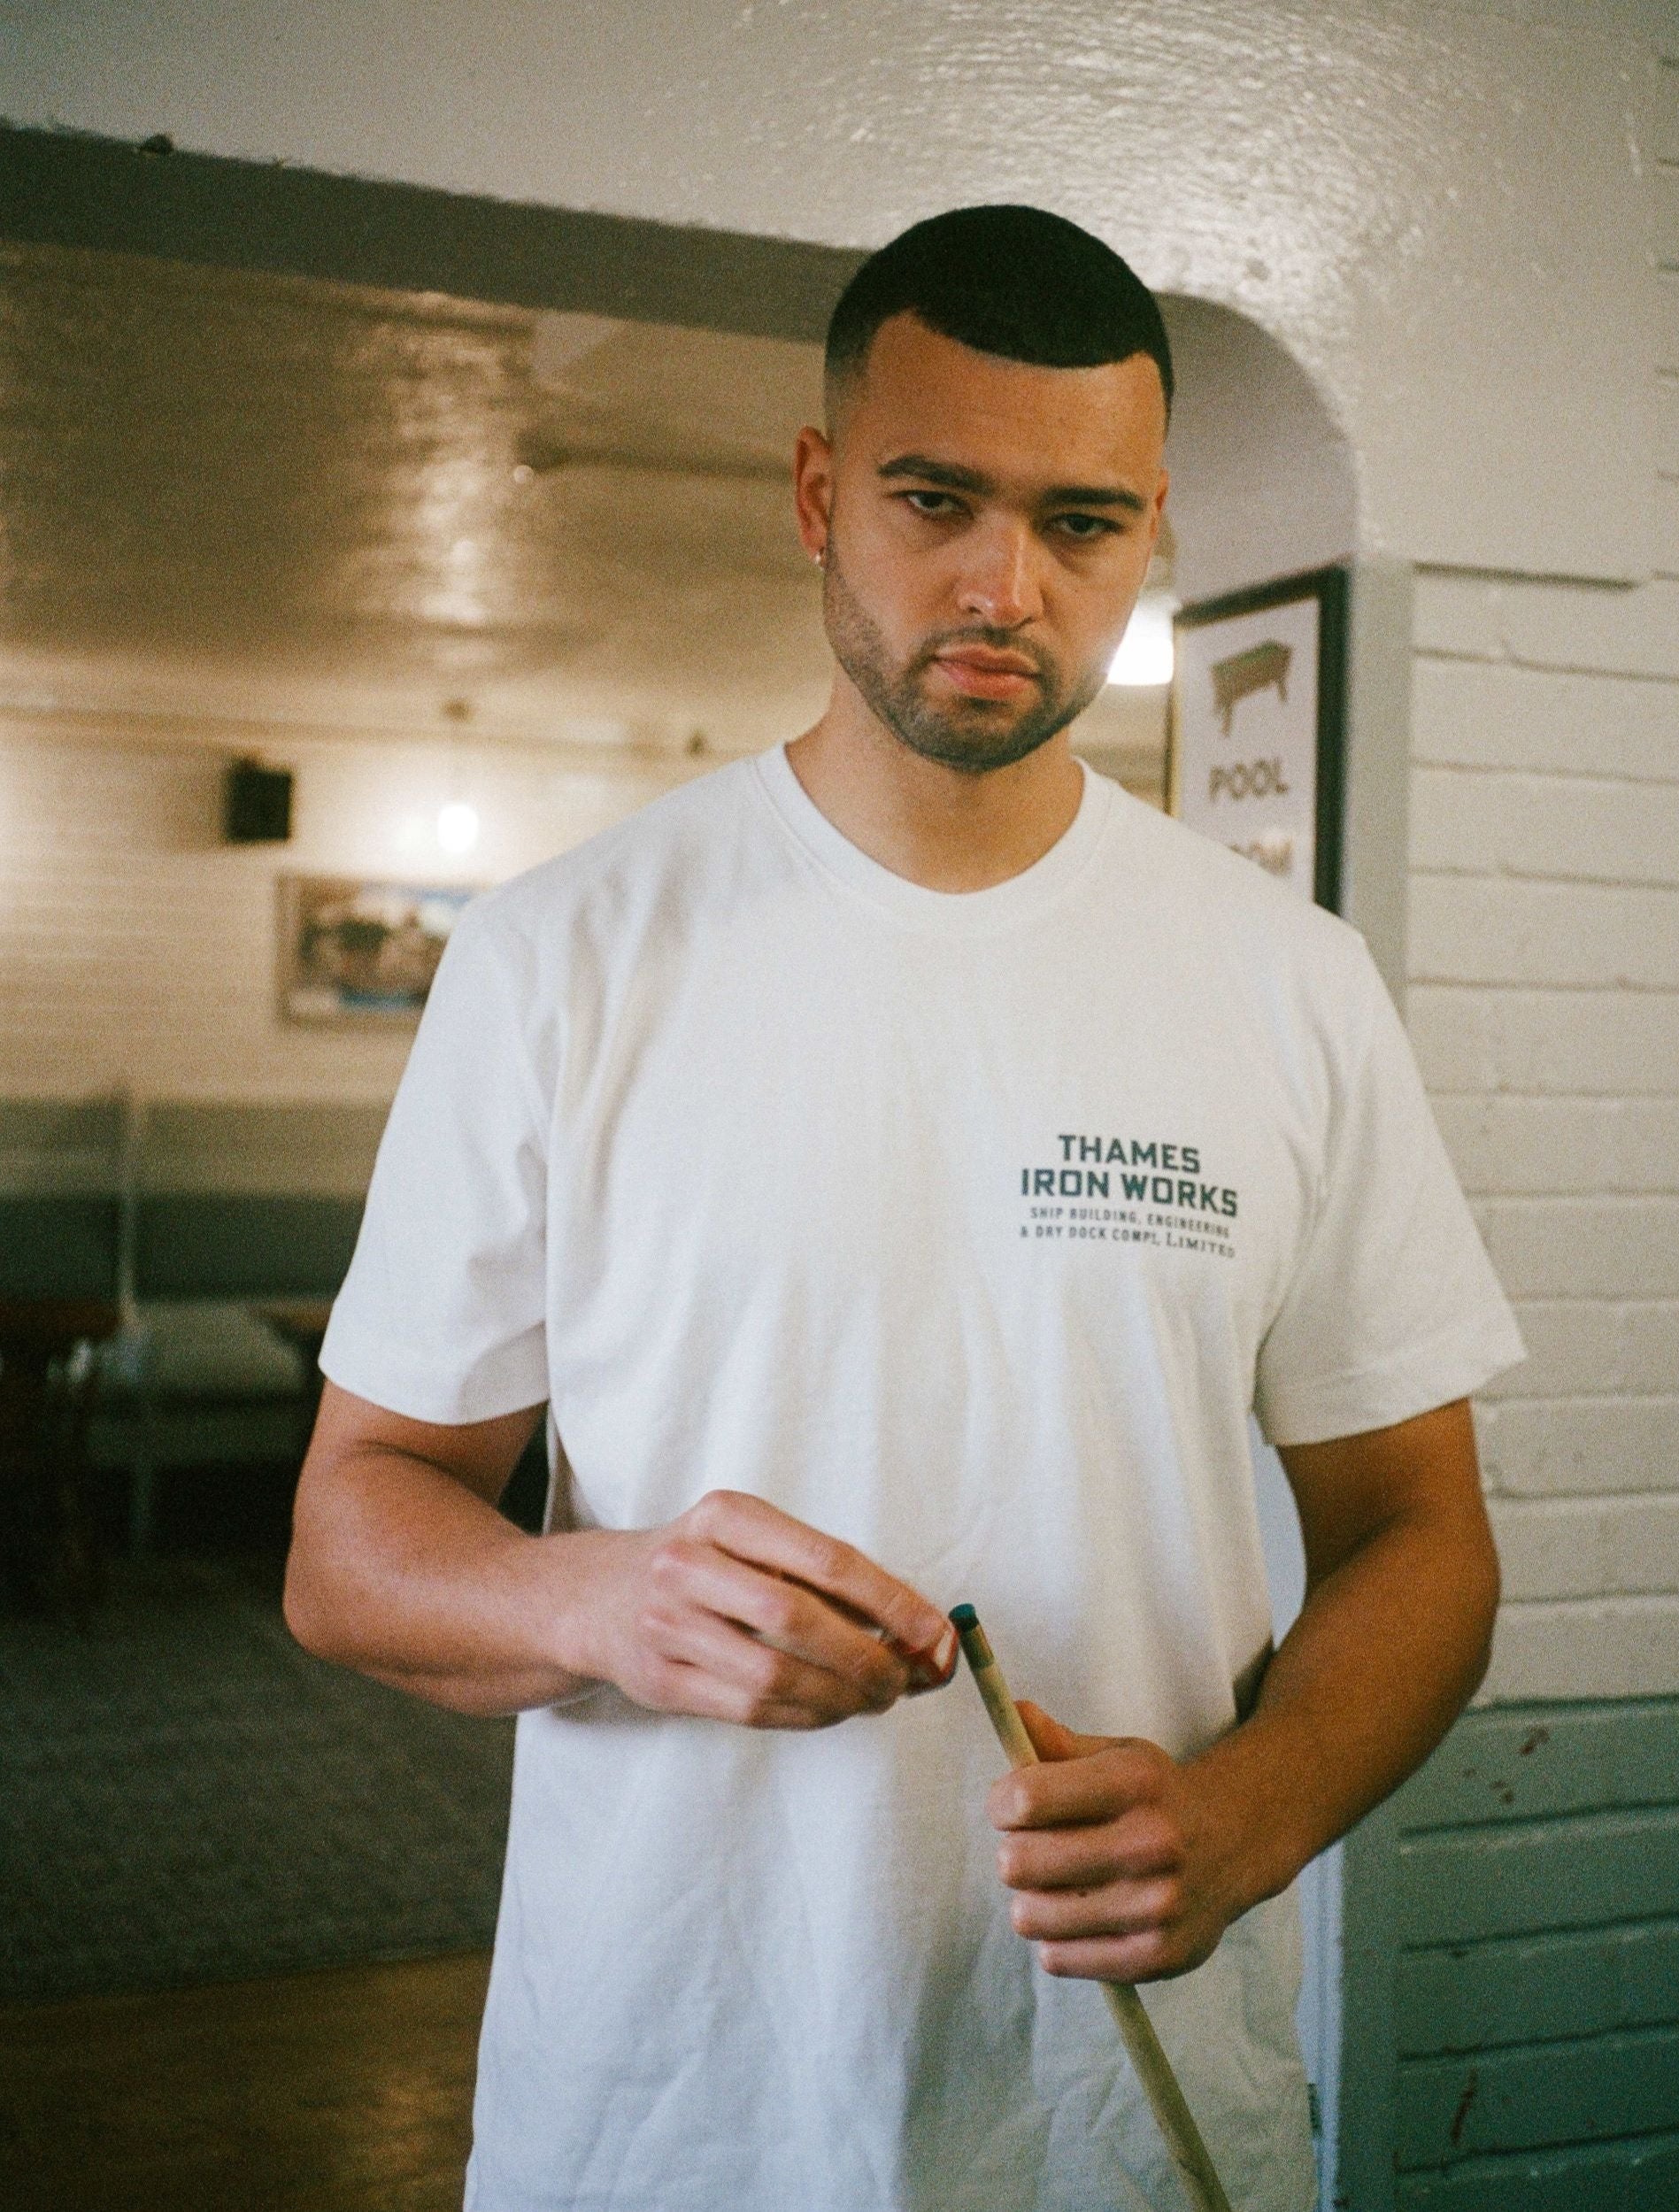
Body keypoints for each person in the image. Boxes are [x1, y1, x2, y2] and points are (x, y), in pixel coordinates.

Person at [285, 204, 1522, 2212]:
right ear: (817, 492)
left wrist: (1255, 1810)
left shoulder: (1287, 982)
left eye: (1081, 524)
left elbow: (1421, 1530)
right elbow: (352, 1536)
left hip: (1123, 2123)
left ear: (1151, 535)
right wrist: (604, 1599)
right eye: (934, 499)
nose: (1002, 585)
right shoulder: (565, 954)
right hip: (667, 2113)